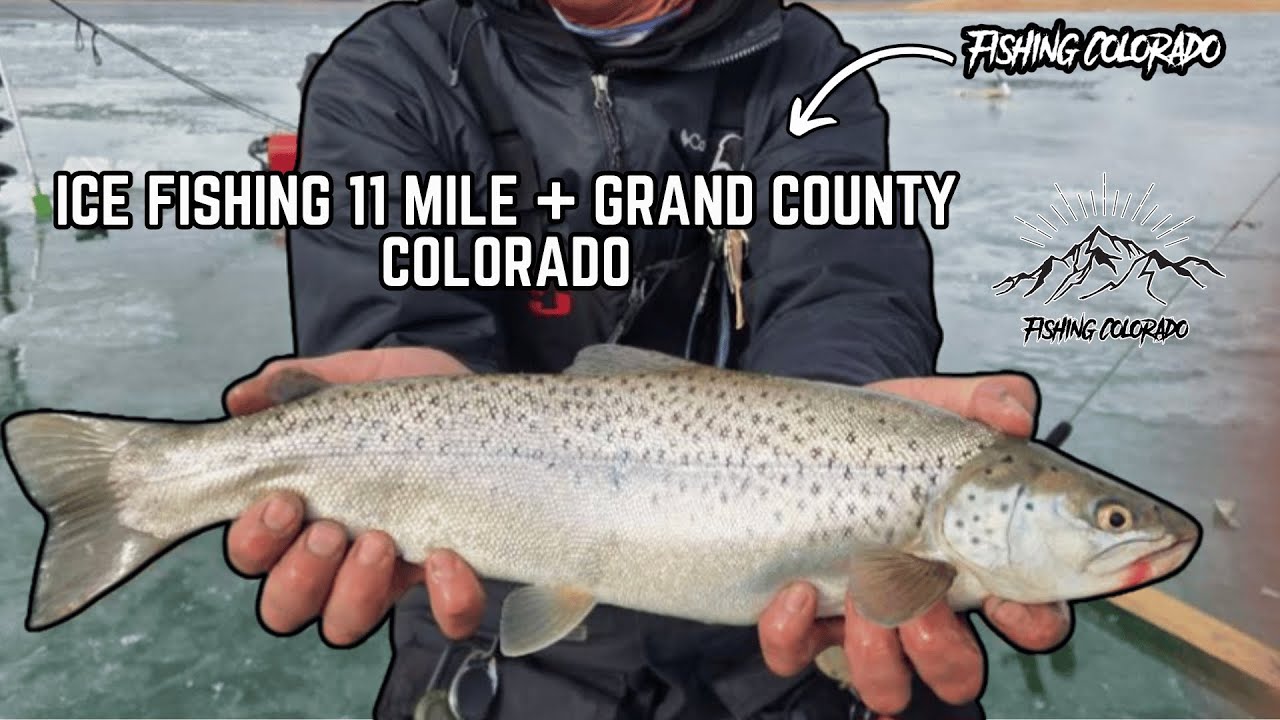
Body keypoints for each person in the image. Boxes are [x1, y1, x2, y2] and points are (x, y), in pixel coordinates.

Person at [221, 0, 1073, 717]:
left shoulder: (800, 61)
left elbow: (842, 284)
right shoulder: (396, 67)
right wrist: (393, 369)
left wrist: (857, 439)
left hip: (777, 630)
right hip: (482, 616)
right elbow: (398, 306)